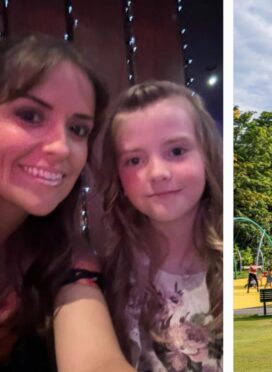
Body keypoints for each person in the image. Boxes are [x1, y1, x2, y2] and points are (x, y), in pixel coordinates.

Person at [0, 34, 133, 371]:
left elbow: (97, 363)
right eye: (30, 115)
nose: (61, 147)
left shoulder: (66, 257)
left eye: (77, 129)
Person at [99, 81, 223, 370]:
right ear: (118, 176)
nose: (157, 172)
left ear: (206, 156)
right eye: (134, 159)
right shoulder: (110, 277)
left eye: (177, 151)